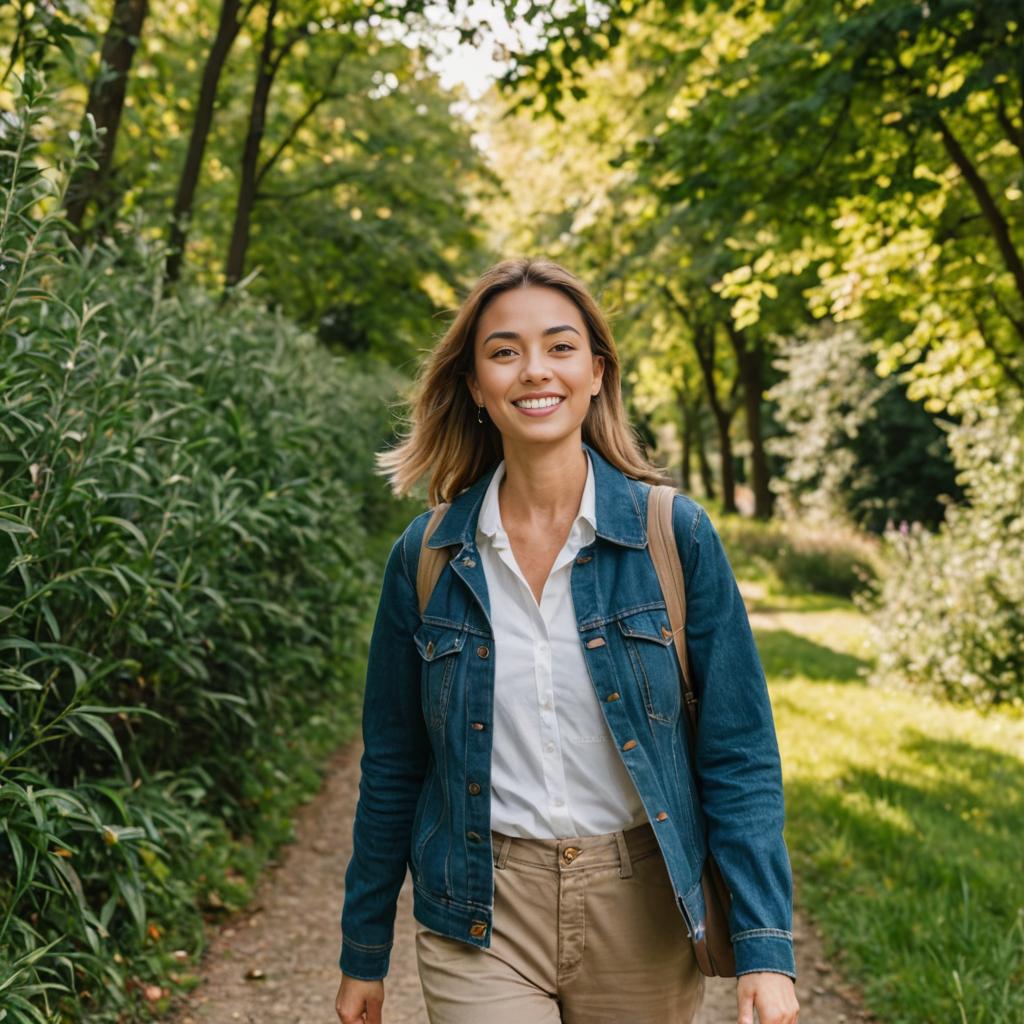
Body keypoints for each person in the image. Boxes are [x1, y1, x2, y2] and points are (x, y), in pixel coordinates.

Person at [335, 257, 800, 1024]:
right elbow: (392, 765)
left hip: (642, 907)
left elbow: (739, 750)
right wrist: (362, 951)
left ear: (595, 373)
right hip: (480, 906)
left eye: (559, 346)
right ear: (477, 386)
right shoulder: (426, 560)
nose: (533, 371)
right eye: (504, 351)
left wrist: (764, 947)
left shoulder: (672, 537)